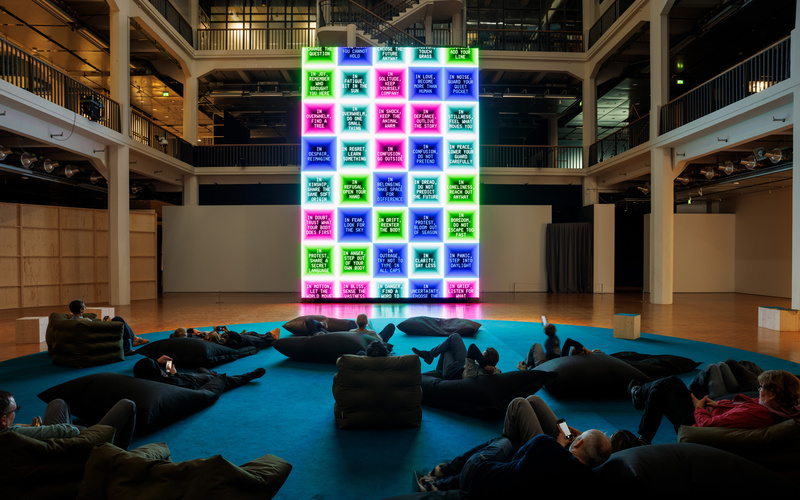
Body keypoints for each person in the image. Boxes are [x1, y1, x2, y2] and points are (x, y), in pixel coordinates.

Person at [416, 395, 621, 492]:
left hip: (479, 477)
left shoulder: (547, 446)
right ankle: (442, 475)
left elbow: (543, 451)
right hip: (544, 461)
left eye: (577, 439)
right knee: (534, 400)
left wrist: (561, 440)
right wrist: (568, 436)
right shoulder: (590, 480)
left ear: (577, 445)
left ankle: (441, 477)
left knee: (510, 427)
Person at [629, 369, 800, 443]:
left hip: (696, 427)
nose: (759, 390)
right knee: (658, 391)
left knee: (670, 383)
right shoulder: (779, 407)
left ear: (774, 393)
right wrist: (717, 404)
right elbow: (742, 405)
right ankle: (644, 438)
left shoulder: (756, 413)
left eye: (762, 387)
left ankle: (638, 393)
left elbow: (707, 426)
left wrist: (699, 408)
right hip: (709, 413)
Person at [0, 390, 136, 450]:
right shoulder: (15, 435)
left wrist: (28, 426)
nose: (16, 413)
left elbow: (12, 429)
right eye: (15, 410)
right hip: (76, 446)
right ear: (3, 419)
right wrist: (35, 429)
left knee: (58, 403)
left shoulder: (8, 432)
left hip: (50, 441)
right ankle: (118, 452)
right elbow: (70, 430)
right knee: (128, 405)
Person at [133, 355, 265, 392]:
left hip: (191, 376)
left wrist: (159, 362)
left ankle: (209, 372)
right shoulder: (166, 384)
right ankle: (249, 376)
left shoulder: (150, 380)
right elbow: (187, 387)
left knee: (204, 371)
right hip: (198, 381)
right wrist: (174, 375)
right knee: (226, 379)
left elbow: (156, 373)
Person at [517, 316, 600, 370]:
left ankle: (524, 364)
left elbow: (568, 341)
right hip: (549, 365)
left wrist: (584, 348)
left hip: (545, 367)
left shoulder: (565, 358)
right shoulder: (571, 363)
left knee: (536, 345)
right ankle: (531, 365)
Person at [68, 299, 148, 355]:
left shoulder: (70, 321)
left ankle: (134, 338)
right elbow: (96, 328)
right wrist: (106, 323)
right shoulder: (85, 320)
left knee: (117, 319)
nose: (85, 308)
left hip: (91, 335)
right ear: (81, 310)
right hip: (100, 335)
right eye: (84, 307)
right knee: (118, 319)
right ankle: (130, 345)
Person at [411, 333, 500, 380]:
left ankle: (433, 362)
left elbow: (472, 347)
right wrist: (488, 367)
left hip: (451, 371)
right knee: (454, 337)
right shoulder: (494, 370)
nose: (479, 356)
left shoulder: (472, 370)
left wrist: (485, 365)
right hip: (462, 364)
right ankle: (429, 355)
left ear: (483, 362)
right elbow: (498, 371)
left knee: (446, 347)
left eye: (481, 355)